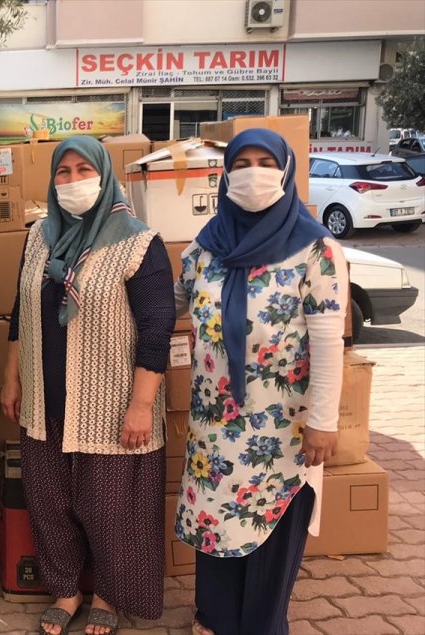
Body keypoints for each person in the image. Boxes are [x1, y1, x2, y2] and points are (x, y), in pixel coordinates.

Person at [173, 129, 348, 635]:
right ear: (226, 173)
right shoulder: (205, 249)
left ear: (286, 170)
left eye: (265, 161)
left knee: (267, 564)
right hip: (213, 436)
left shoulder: (315, 250)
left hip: (282, 440)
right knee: (216, 543)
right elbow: (169, 311)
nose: (253, 173)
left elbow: (328, 343)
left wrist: (323, 422)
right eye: (242, 162)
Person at [0, 136, 175, 635]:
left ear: (104, 176)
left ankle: (108, 596)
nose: (74, 181)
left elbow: (156, 329)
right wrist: (12, 378)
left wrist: (141, 406)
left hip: (110, 403)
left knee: (110, 510)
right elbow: (20, 315)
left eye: (84, 170)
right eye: (64, 172)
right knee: (49, 502)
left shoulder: (138, 242)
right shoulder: (39, 237)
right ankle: (66, 589)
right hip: (44, 399)